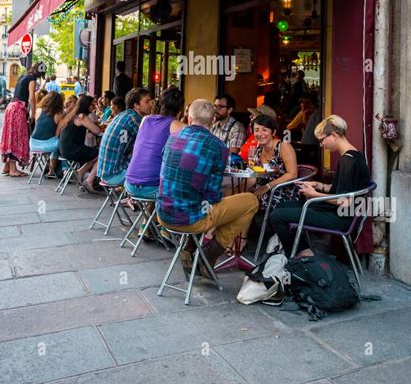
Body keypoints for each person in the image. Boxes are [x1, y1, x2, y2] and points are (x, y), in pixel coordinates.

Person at [156, 99, 259, 274]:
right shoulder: (218, 146)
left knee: (199, 201)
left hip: (163, 214)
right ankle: (212, 252)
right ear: (213, 121)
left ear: (189, 118)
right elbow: (213, 195)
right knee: (251, 201)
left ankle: (189, 247)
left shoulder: (172, 138)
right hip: (191, 220)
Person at [270, 114, 370, 258]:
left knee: (276, 216)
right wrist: (319, 185)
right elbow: (343, 190)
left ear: (334, 135)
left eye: (322, 140)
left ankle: (303, 255)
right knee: (281, 207)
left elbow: (346, 201)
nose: (322, 145)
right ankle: (301, 251)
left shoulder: (348, 162)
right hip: (338, 212)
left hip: (340, 218)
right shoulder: (355, 155)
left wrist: (314, 195)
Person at [125, 86, 185, 200]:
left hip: (130, 184)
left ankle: (148, 217)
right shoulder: (177, 125)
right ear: (179, 108)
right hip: (152, 188)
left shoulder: (145, 120)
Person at [97, 87, 152, 187]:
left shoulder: (125, 116)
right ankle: (139, 200)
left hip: (105, 173)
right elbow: (150, 143)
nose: (151, 104)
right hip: (115, 174)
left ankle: (133, 199)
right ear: (136, 105)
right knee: (155, 173)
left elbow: (123, 142)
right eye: (147, 101)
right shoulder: (133, 119)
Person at [0, 62, 46, 176]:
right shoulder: (32, 79)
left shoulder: (23, 76)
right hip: (18, 109)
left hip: (11, 107)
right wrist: (33, 113)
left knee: (9, 136)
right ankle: (13, 170)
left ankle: (6, 166)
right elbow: (31, 98)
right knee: (17, 137)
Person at [249, 114, 299, 212]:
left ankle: (261, 226)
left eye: (264, 130)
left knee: (252, 201)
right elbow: (254, 174)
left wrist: (268, 186)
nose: (260, 133)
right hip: (262, 187)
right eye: (256, 130)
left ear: (273, 132)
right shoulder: (258, 150)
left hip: (283, 189)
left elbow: (292, 174)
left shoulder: (283, 146)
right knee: (241, 197)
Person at [58, 95, 103, 193]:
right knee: (102, 155)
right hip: (73, 149)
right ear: (86, 105)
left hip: (64, 149)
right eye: (92, 104)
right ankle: (89, 180)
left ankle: (81, 172)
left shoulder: (72, 115)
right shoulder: (82, 116)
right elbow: (97, 130)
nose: (94, 107)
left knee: (96, 154)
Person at [29, 91, 64, 178]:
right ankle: (52, 170)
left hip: (33, 144)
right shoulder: (58, 114)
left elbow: (39, 126)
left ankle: (48, 165)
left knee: (53, 142)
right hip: (48, 145)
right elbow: (57, 134)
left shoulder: (38, 110)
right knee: (58, 144)